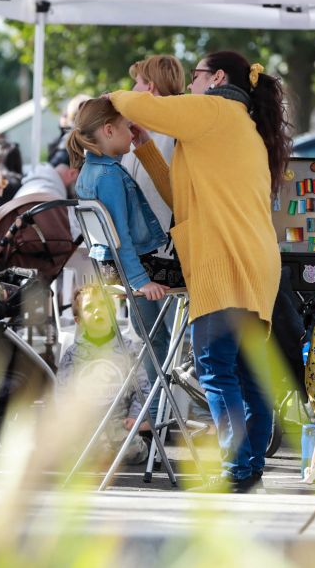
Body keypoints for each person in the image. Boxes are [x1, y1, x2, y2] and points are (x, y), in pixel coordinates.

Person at [110, 50, 292, 493]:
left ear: (217, 78)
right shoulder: (241, 123)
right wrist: (146, 147)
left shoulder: (214, 108)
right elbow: (182, 197)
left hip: (223, 260)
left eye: (196, 76)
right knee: (247, 370)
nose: (191, 83)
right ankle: (248, 468)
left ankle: (234, 468)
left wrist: (115, 96)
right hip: (255, 261)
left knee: (215, 365)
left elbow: (137, 105)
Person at [119, 55, 185, 422]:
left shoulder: (174, 133)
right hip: (146, 251)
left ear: (152, 88)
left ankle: (157, 413)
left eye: (137, 84)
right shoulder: (140, 130)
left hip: (164, 254)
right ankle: (155, 411)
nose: (132, 91)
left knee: (158, 336)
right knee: (149, 336)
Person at [66, 97, 169, 301]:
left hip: (110, 268)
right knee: (199, 272)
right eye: (128, 127)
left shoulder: (89, 170)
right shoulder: (109, 176)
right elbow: (119, 235)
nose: (132, 134)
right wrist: (141, 280)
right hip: (129, 270)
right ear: (109, 130)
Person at [55, 283, 151, 465]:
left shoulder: (128, 349)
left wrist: (135, 415)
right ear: (78, 320)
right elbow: (63, 393)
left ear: (113, 311)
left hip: (119, 421)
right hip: (86, 422)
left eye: (103, 305)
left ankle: (141, 444)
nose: (98, 311)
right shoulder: (73, 354)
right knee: (79, 455)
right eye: (90, 307)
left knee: (132, 453)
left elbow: (143, 387)